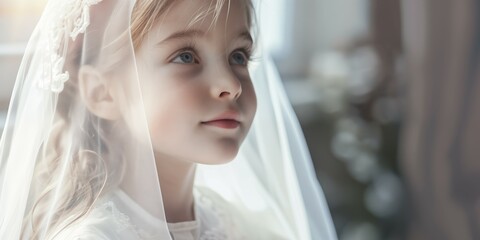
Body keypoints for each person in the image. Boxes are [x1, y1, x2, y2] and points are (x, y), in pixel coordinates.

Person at [0, 0, 337, 239]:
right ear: (103, 92)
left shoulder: (243, 228)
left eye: (238, 56)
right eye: (186, 56)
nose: (231, 85)